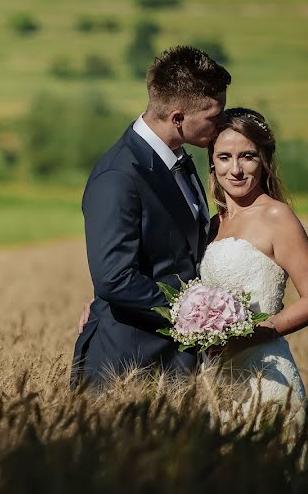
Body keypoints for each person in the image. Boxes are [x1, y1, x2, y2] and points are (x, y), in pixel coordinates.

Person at [70, 45, 231, 389]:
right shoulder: (119, 176)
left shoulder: (179, 159)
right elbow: (115, 279)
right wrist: (200, 313)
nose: (221, 126)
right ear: (178, 118)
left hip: (176, 365)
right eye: (214, 117)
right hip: (128, 365)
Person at [200, 107, 308, 419]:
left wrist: (256, 333)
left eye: (247, 156)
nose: (236, 170)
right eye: (224, 157)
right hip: (216, 379)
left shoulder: (276, 217)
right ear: (212, 162)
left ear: (264, 160)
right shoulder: (212, 224)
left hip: (266, 374)